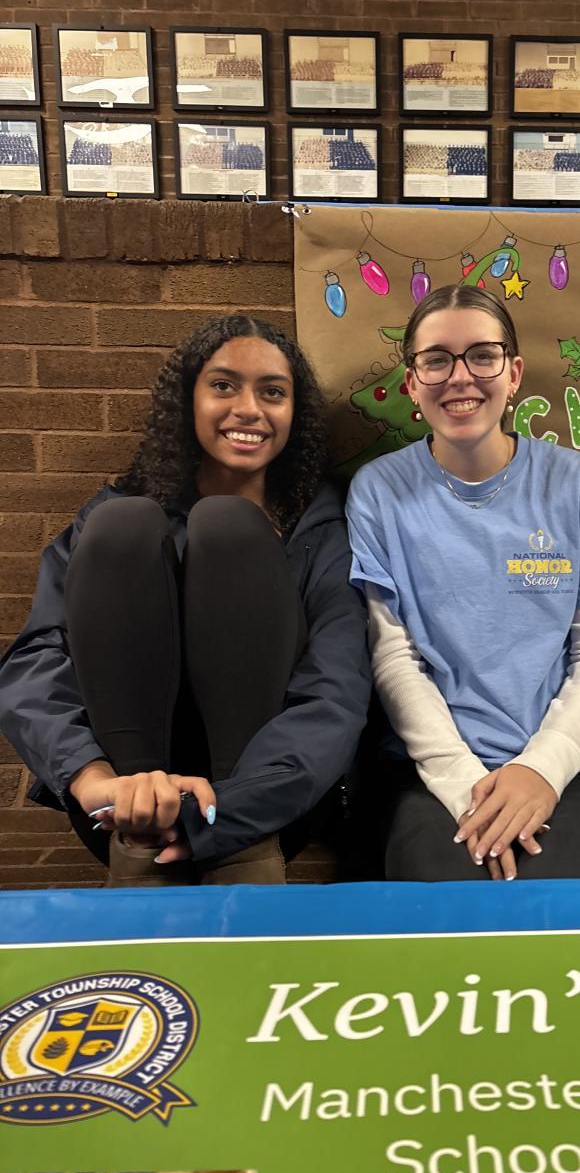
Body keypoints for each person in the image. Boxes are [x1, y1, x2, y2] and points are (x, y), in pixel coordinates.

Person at [0, 315, 369, 886]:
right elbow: (36, 659)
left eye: (273, 392)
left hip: (266, 807)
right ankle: (142, 842)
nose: (248, 409)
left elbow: (338, 684)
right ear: (188, 402)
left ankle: (236, 853)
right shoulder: (113, 518)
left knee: (229, 528)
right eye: (223, 386)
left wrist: (236, 806)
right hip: (121, 800)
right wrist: (91, 776)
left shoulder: (321, 528)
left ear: (295, 414)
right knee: (123, 523)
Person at [346, 284, 580, 881]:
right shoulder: (378, 491)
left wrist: (541, 770)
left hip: (574, 764)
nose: (461, 377)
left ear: (514, 374)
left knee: (555, 915)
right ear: (411, 383)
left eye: (483, 355)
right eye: (437, 360)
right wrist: (464, 785)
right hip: (430, 769)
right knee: (449, 916)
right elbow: (395, 659)